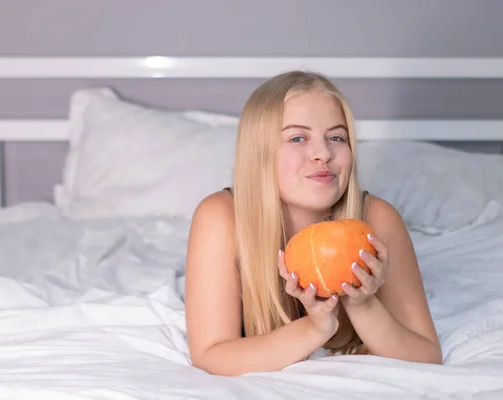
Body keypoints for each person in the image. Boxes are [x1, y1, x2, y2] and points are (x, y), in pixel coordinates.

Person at [184, 70, 442, 376]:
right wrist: (315, 329)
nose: (323, 153)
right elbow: (211, 354)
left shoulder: (377, 219)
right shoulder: (220, 218)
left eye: (336, 137)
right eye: (297, 138)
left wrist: (363, 305)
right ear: (260, 153)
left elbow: (427, 356)